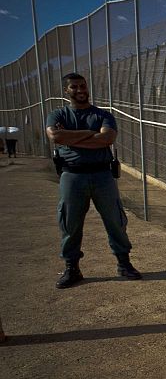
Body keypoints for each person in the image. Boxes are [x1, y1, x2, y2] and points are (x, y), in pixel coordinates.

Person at [46, 73, 141, 289]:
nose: (80, 90)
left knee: (115, 220)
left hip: (102, 175)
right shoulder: (58, 114)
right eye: (74, 87)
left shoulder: (102, 115)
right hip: (72, 175)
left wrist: (71, 137)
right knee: (69, 222)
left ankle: (124, 263)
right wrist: (91, 135)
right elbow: (55, 136)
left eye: (83, 85)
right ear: (66, 91)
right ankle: (72, 268)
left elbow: (107, 138)